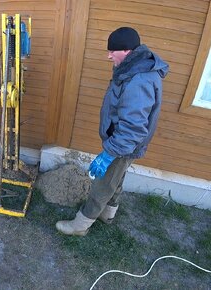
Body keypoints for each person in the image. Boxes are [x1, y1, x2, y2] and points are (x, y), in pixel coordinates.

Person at [56, 27, 169, 236]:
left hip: (122, 145)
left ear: (126, 51)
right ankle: (107, 214)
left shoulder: (139, 79)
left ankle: (80, 226)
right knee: (116, 180)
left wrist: (110, 152)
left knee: (103, 185)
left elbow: (133, 128)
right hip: (122, 142)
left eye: (112, 51)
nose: (109, 56)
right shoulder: (132, 69)